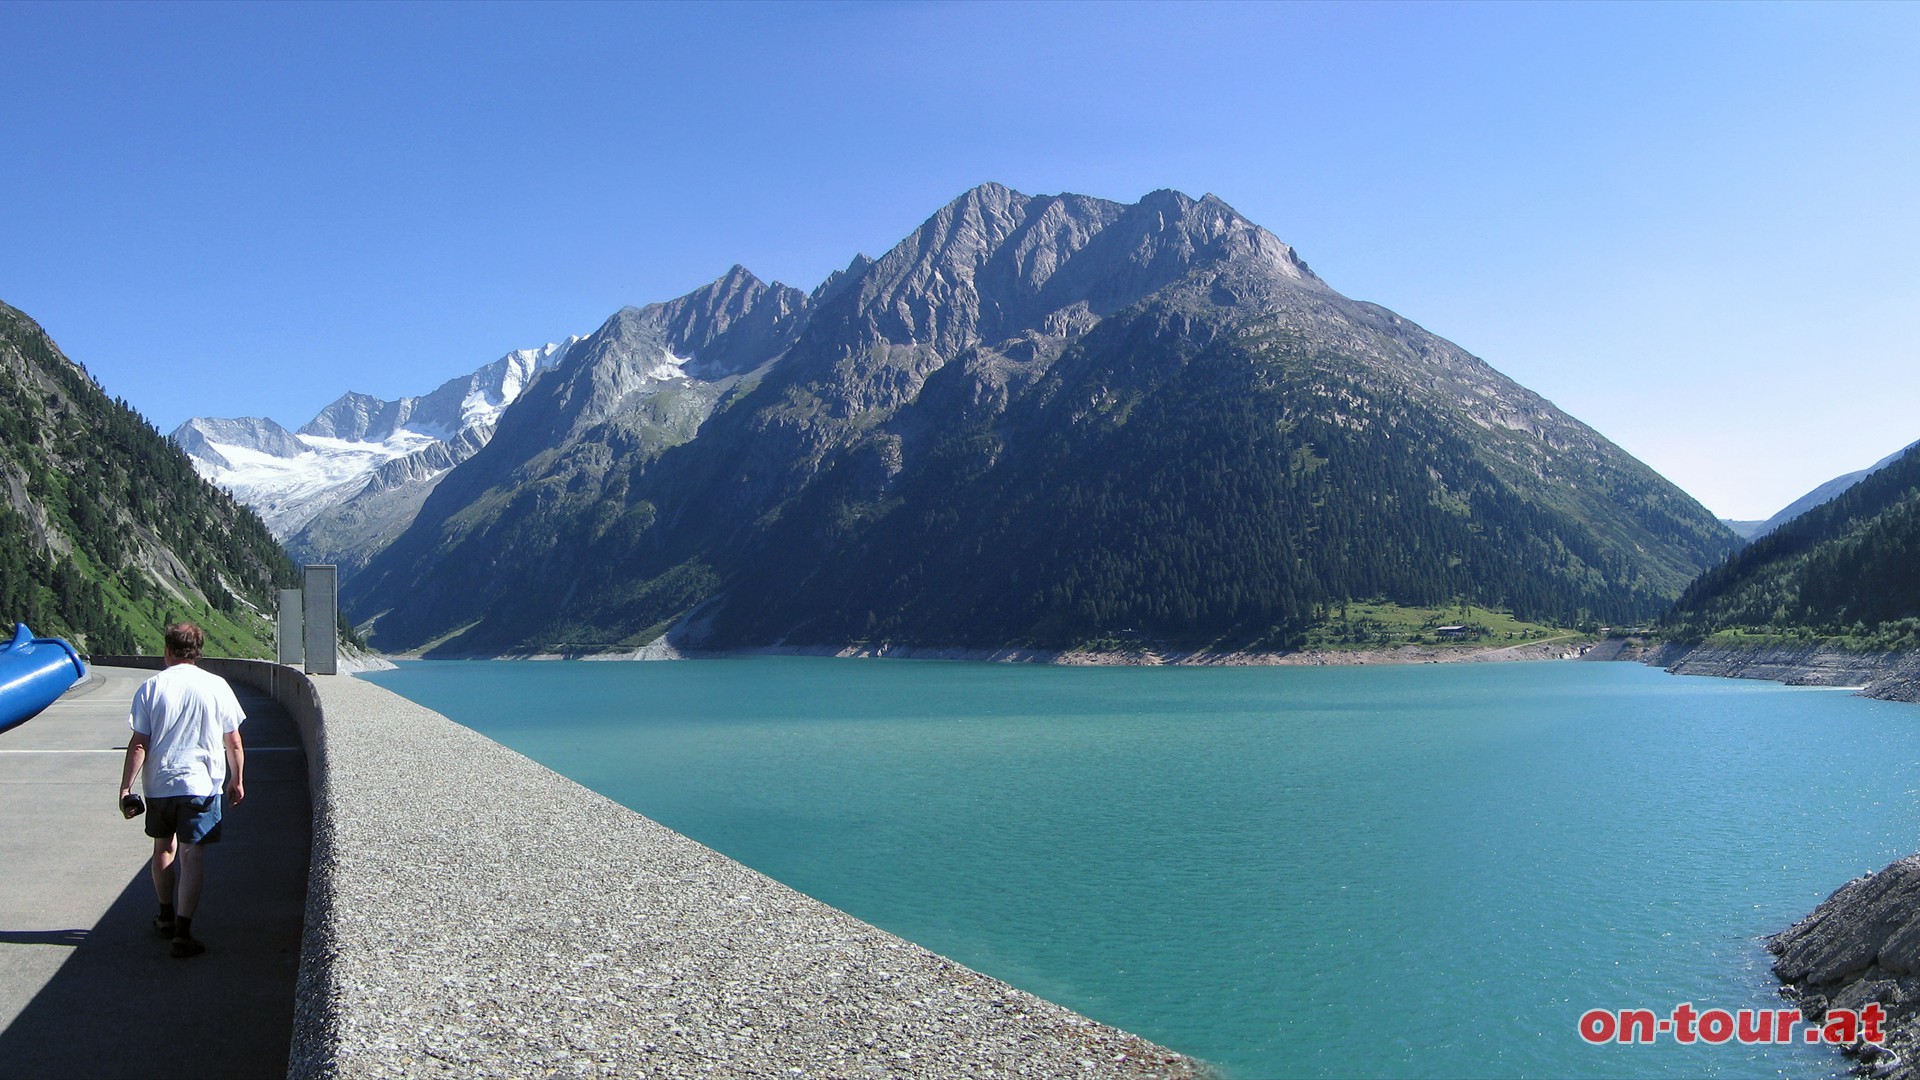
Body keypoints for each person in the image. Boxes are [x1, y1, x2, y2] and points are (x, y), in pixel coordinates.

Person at [117, 622, 246, 958]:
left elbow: (138, 745)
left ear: (168, 651)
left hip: (160, 784)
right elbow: (233, 741)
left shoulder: (151, 687)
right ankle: (184, 933)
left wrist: (126, 788)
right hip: (201, 783)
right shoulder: (217, 686)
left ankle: (164, 916)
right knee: (192, 854)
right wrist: (237, 780)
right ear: (198, 652)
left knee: (163, 847)